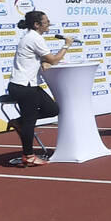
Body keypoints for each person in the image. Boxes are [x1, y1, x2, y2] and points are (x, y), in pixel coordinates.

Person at [8, 11, 71, 167]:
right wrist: (67, 45)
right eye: (46, 21)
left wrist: (43, 61)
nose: (49, 24)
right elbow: (54, 60)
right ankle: (28, 155)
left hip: (29, 85)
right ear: (37, 24)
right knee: (30, 122)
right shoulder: (34, 38)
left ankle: (18, 122)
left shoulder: (32, 37)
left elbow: (41, 58)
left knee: (52, 109)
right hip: (23, 86)